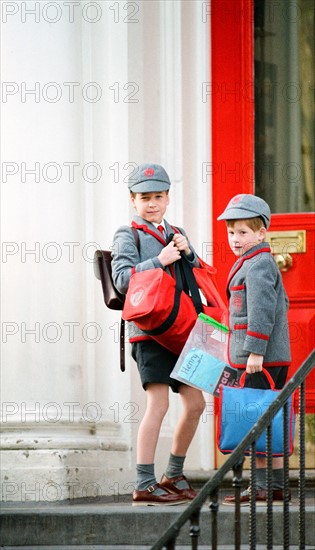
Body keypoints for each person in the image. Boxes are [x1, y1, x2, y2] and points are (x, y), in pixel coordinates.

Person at [111, 163, 205, 506]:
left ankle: (174, 475)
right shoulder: (128, 234)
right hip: (150, 332)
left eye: (159, 197)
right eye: (144, 198)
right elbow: (122, 279)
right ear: (133, 201)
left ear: (168, 199)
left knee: (195, 403)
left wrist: (189, 253)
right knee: (159, 403)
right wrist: (161, 260)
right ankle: (144, 482)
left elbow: (197, 275)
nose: (152, 204)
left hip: (184, 331)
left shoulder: (176, 231)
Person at [217, 193, 291, 505]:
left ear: (262, 233)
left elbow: (261, 310)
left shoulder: (259, 264)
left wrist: (255, 352)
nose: (235, 238)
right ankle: (274, 485)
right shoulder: (250, 261)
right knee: (267, 416)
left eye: (243, 232)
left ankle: (261, 486)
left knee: (258, 419)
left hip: (259, 358)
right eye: (231, 232)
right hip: (256, 356)